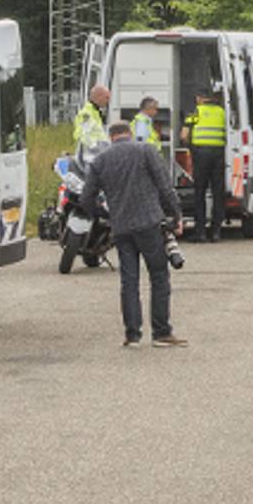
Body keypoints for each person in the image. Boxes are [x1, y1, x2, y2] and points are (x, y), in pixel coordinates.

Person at [80, 122, 187, 348]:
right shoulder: (146, 151)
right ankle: (161, 333)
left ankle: (132, 335)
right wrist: (176, 215)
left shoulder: (101, 161)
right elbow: (164, 186)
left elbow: (86, 199)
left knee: (129, 281)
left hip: (121, 227)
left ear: (111, 137)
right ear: (129, 133)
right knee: (158, 276)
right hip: (149, 223)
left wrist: (105, 215)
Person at [181, 86, 226, 242]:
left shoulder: (196, 112)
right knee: (217, 193)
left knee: (199, 193)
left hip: (201, 155)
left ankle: (200, 232)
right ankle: (216, 232)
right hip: (219, 154)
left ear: (199, 98)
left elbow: (184, 135)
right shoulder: (222, 112)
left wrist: (190, 146)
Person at [73, 84, 111, 153]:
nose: (108, 101)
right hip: (89, 155)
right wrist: (97, 148)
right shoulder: (86, 114)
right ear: (99, 97)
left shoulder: (95, 112)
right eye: (107, 97)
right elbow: (84, 135)